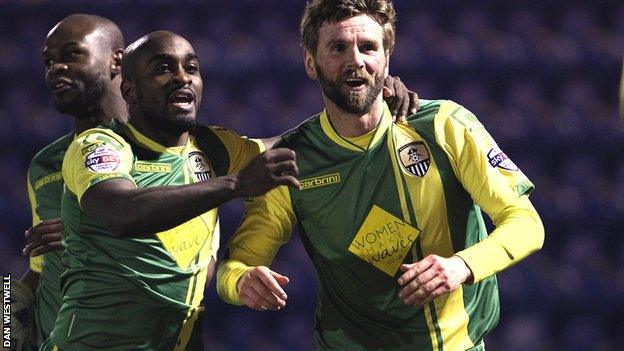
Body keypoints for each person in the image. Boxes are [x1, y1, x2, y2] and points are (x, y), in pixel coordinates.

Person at [216, 1, 545, 350]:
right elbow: (235, 266)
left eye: (368, 47)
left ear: (387, 59)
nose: (355, 60)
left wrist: (462, 265)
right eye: (338, 47)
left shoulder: (443, 125)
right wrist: (242, 281)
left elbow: (526, 222)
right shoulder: (291, 162)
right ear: (311, 62)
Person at [17, 14, 128, 349]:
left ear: (116, 60)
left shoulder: (163, 151)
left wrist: (83, 232)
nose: (55, 68)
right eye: (49, 61)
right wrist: (5, 318)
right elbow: (38, 273)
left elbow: (198, 267)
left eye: (70, 55)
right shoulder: (45, 163)